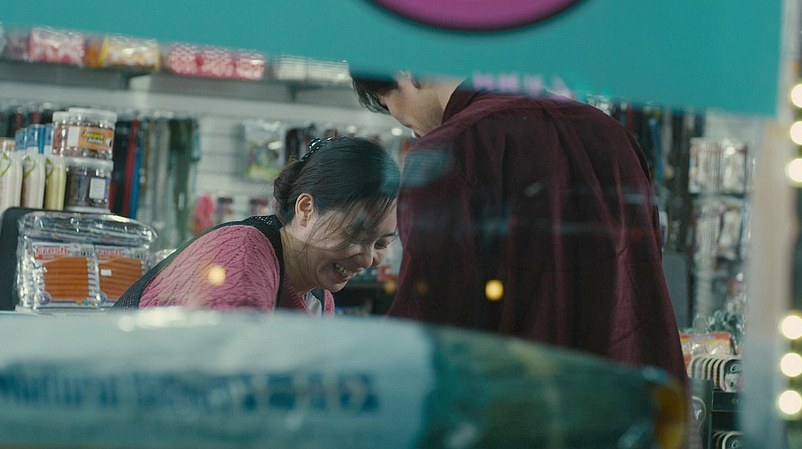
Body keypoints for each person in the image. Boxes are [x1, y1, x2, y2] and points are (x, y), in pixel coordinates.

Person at [351, 72, 689, 387]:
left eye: (388, 105)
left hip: (522, 404)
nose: (410, 128)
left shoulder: (448, 150)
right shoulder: (612, 134)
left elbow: (432, 318)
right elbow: (642, 277)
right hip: (628, 399)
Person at [112, 137, 401, 314]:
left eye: (381, 243)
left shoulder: (318, 294)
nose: (367, 259)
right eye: (355, 235)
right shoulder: (241, 258)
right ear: (305, 209)